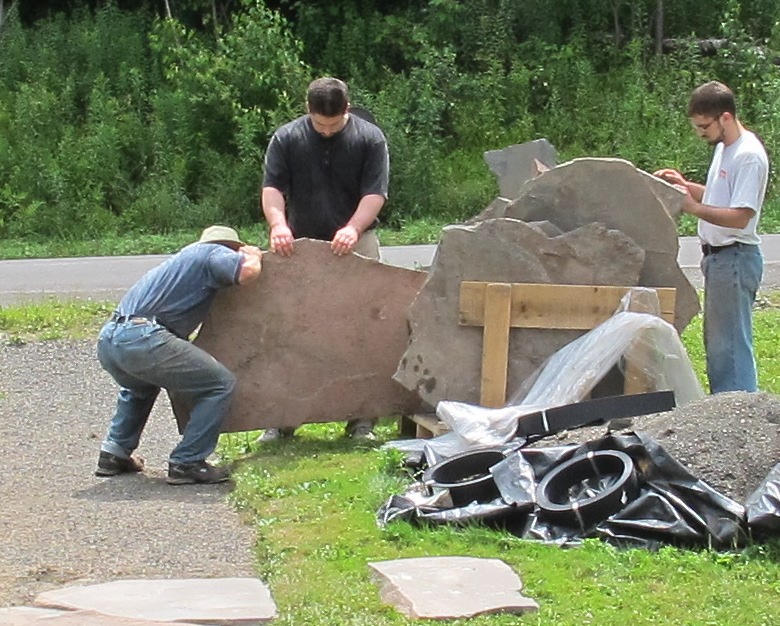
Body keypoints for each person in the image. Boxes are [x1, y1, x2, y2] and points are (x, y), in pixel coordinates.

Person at [259, 76, 390, 441]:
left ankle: (362, 419)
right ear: (308, 111)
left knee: (364, 329)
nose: (327, 131)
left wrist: (353, 228)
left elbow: (375, 193)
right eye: (319, 124)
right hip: (298, 243)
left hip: (356, 242)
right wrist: (278, 225)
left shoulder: (370, 139)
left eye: (333, 124)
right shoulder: (286, 138)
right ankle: (283, 419)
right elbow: (272, 188)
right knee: (290, 330)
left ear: (347, 109)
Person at [94, 225, 264, 484]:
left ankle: (114, 453)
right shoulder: (214, 253)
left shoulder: (180, 262)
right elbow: (247, 272)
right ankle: (188, 461)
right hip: (143, 337)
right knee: (219, 384)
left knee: (140, 387)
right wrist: (253, 255)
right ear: (231, 248)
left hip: (110, 339)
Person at [655, 80, 768, 394]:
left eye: (705, 126)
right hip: (719, 260)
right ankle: (730, 409)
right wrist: (685, 185)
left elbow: (741, 215)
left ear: (726, 118)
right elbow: (721, 197)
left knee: (730, 347)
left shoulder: (748, 155)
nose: (700, 132)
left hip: (735, 258)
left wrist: (691, 208)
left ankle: (737, 413)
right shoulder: (724, 148)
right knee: (720, 345)